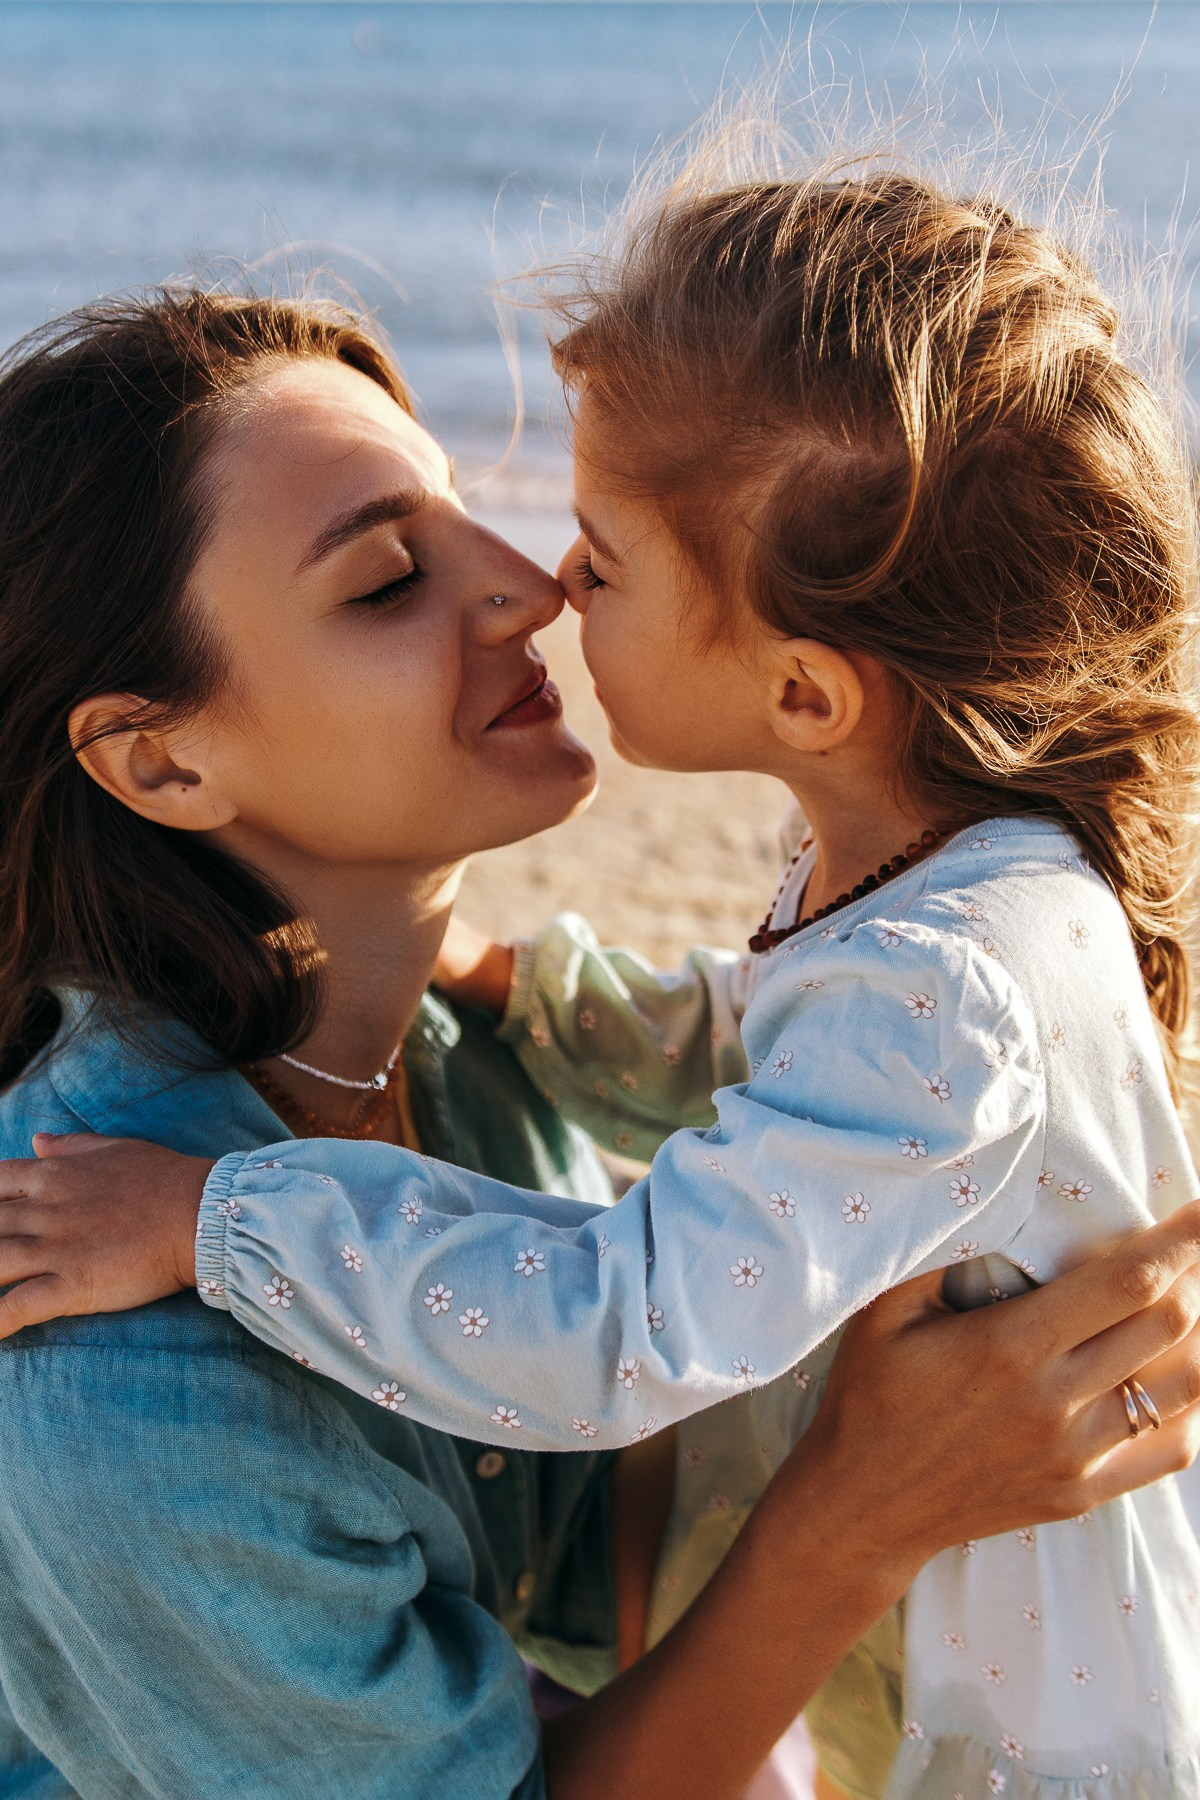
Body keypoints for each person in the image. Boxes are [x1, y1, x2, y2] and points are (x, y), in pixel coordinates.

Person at [5, 169, 1200, 1795]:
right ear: (157, 760)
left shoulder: (466, 1052)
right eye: (387, 578)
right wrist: (860, 1507)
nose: (527, 581)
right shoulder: (103, 1361)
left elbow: (635, 1338)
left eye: (465, 509)